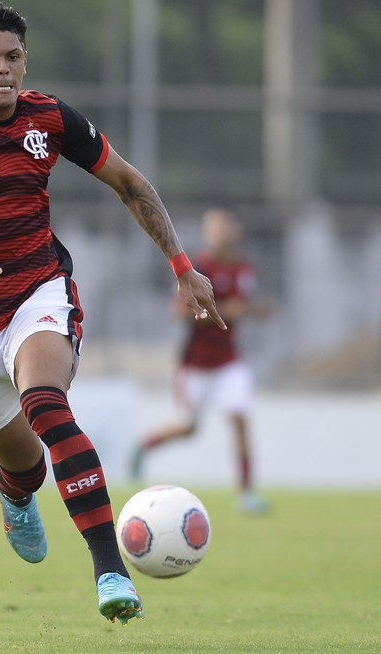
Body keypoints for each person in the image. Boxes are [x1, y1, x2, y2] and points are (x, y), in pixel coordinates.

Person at [0, 3, 223, 624]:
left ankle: (109, 571)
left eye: (13, 57)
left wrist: (182, 266)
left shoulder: (51, 118)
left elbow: (131, 184)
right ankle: (13, 491)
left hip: (38, 292)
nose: (3, 69)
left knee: (47, 402)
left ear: (25, 61)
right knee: (24, 466)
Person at [130, 208, 272, 514]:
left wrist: (255, 312)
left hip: (229, 361)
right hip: (195, 364)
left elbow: (242, 306)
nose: (222, 234)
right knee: (189, 428)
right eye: (216, 229)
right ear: (208, 236)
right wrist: (220, 312)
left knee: (240, 419)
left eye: (226, 228)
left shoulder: (244, 269)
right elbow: (178, 311)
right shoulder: (198, 268)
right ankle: (143, 446)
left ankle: (246, 493)